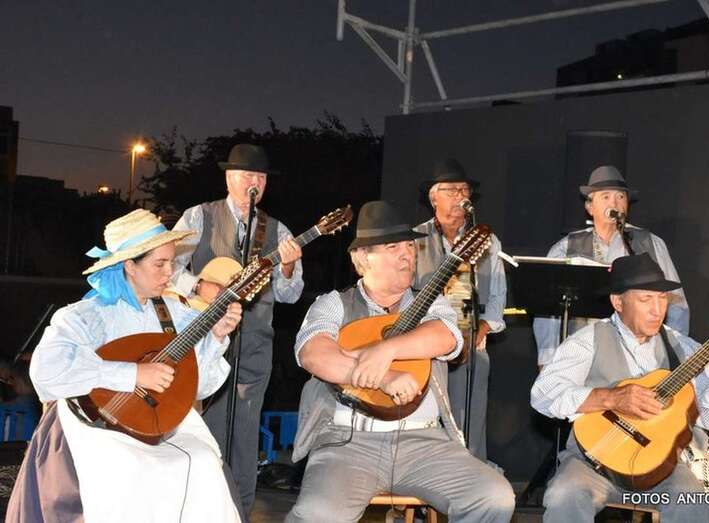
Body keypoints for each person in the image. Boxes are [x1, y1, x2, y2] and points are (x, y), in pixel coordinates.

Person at [6, 209, 244, 522]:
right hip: (97, 425)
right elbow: (46, 371)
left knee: (204, 464)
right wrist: (132, 374)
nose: (169, 273)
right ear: (129, 265)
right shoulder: (87, 315)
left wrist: (216, 338)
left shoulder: (174, 313)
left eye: (171, 262)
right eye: (159, 264)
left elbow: (199, 386)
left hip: (154, 422)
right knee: (129, 470)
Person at [286, 201, 515, 522]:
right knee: (317, 514)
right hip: (348, 444)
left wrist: (385, 350)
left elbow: (448, 337)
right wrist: (381, 377)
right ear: (363, 260)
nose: (408, 254)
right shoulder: (334, 304)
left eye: (410, 245)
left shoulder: (433, 302)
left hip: (425, 444)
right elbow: (314, 354)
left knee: (495, 496)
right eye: (394, 247)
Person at [531, 253, 709, 522]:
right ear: (617, 301)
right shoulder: (588, 340)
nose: (658, 310)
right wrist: (611, 398)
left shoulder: (685, 348)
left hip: (662, 471)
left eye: (662, 298)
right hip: (593, 465)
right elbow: (543, 394)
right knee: (565, 494)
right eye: (646, 299)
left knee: (692, 499)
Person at [171, 143, 304, 514]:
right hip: (201, 340)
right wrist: (200, 286)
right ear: (229, 178)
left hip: (254, 344)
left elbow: (290, 296)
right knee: (204, 429)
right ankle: (200, 510)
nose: (254, 183)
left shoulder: (278, 231)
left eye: (260, 177)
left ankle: (239, 511)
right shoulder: (198, 217)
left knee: (245, 434)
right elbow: (167, 268)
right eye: (247, 175)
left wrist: (289, 268)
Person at [533, 165, 689, 367]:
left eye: (621, 197)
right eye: (606, 197)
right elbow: (548, 312)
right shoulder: (566, 248)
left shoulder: (650, 243)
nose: (614, 203)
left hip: (641, 355)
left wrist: (677, 356)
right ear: (590, 206)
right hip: (583, 353)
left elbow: (677, 303)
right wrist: (547, 358)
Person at [413, 158, 507, 461]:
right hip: (425, 340)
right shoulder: (414, 239)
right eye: (451, 190)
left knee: (471, 415)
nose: (460, 196)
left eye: (464, 190)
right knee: (425, 415)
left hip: (471, 335)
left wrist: (484, 327)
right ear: (433, 197)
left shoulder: (487, 239)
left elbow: (497, 295)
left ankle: (473, 478)